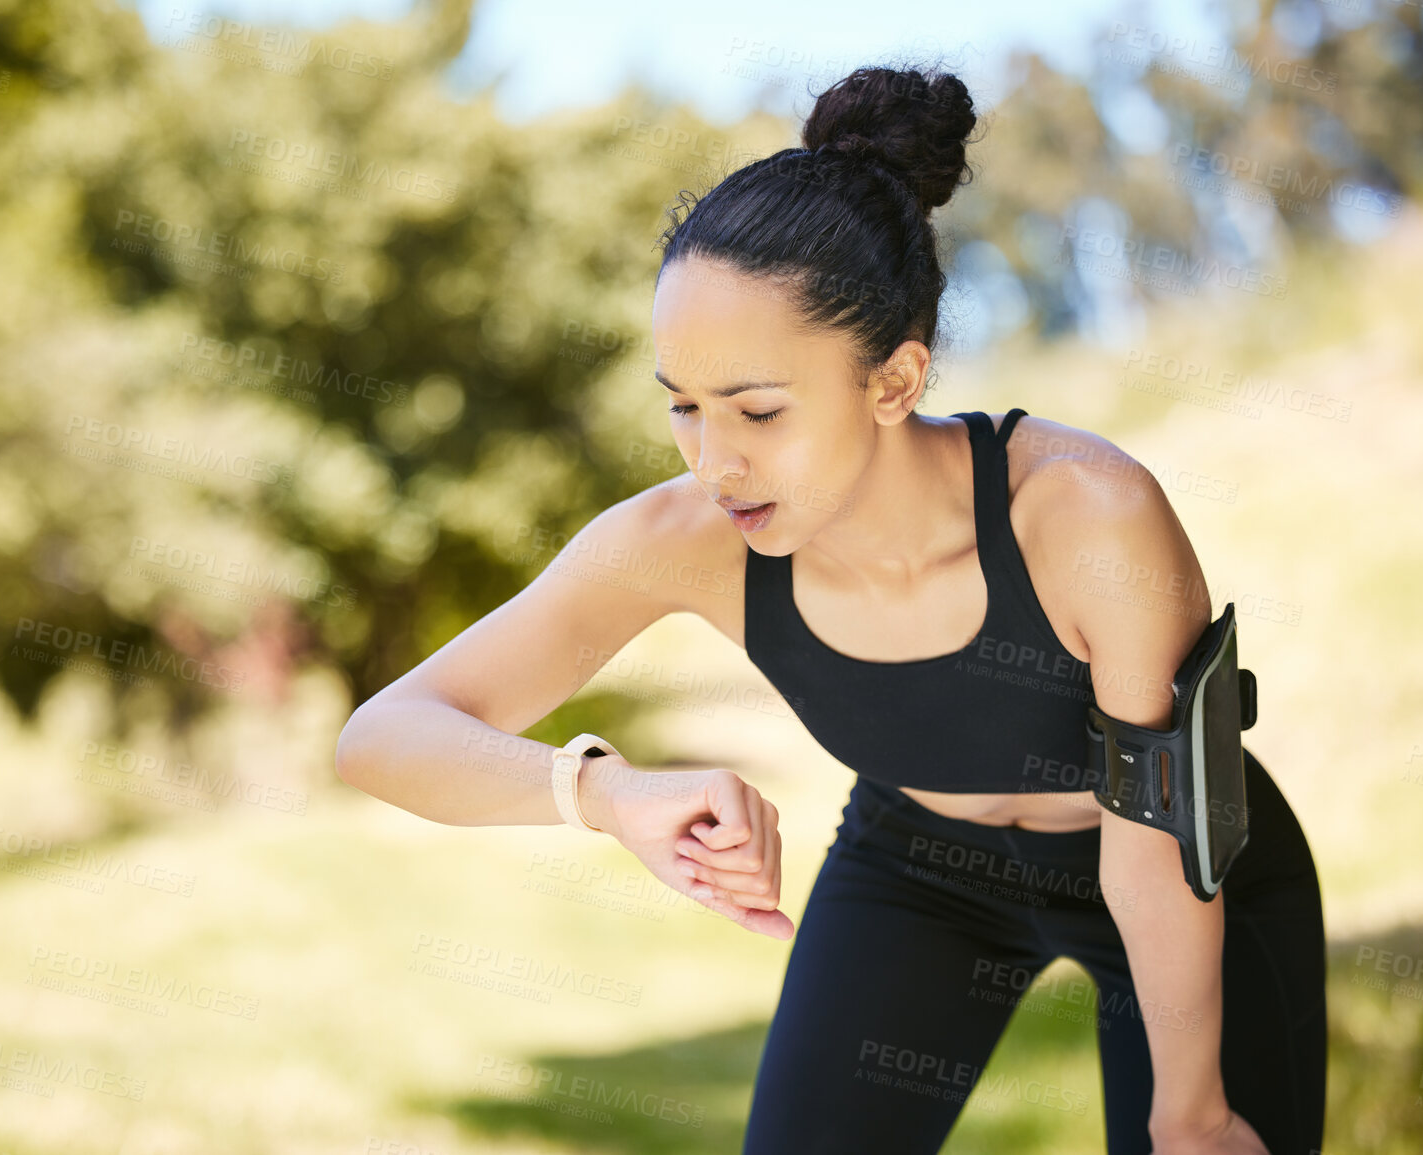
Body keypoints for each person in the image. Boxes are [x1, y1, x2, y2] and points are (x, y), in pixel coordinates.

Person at [336, 63, 1326, 1155]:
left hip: (1182, 867)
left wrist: (1189, 1113)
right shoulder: (682, 543)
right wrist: (604, 794)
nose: (715, 462)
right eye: (685, 409)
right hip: (918, 871)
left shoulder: (1084, 514)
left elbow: (1155, 836)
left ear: (895, 382)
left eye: (757, 410)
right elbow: (383, 738)